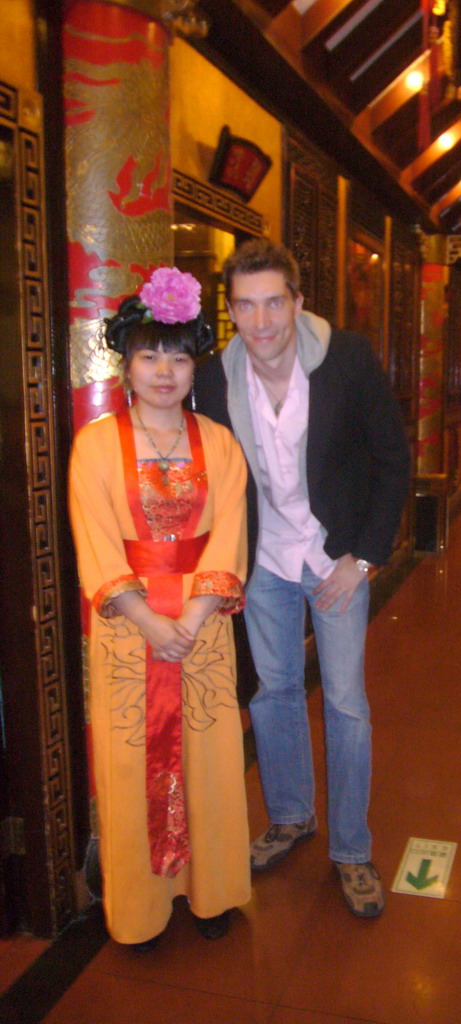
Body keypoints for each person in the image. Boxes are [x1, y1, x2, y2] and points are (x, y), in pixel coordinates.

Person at [195, 238, 410, 918]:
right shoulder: (212, 377)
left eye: (273, 303)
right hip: (262, 560)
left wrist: (365, 558)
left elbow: (393, 461)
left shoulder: (344, 360)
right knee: (274, 692)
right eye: (245, 307)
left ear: (297, 301)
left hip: (336, 558)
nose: (260, 322)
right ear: (231, 312)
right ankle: (290, 815)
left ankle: (351, 849)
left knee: (345, 703)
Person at [68, 268, 251, 950]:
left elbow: (229, 531)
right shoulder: (93, 446)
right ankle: (141, 910)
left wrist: (195, 618)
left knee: (208, 758)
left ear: (194, 362)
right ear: (127, 362)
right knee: (127, 766)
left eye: (178, 355)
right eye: (149, 355)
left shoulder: (220, 444)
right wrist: (147, 620)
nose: (165, 371)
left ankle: (211, 893)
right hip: (129, 632)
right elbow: (93, 538)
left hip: (199, 631)